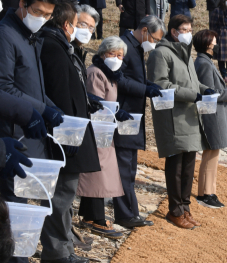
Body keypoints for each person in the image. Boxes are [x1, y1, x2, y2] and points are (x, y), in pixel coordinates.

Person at [40, 0, 101, 263]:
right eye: (78, 24)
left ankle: (66, 251)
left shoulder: (63, 46)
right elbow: (58, 94)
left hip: (71, 132)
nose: (81, 30)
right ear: (67, 25)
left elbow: (71, 87)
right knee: (60, 198)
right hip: (65, 136)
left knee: (65, 198)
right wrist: (66, 133)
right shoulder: (53, 48)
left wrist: (87, 100)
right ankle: (57, 255)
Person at [0, 0, 64, 223]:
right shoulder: (6, 34)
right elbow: (4, 87)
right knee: (12, 210)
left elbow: (30, 83)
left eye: (47, 15)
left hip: (28, 132)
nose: (42, 18)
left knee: (21, 208)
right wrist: (42, 108)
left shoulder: (31, 35)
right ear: (23, 3)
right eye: (37, 12)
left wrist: (49, 104)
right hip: (12, 132)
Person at [148, 15, 216, 229]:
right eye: (184, 29)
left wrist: (206, 91)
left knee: (188, 167)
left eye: (190, 28)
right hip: (173, 118)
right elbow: (161, 85)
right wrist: (192, 95)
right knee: (176, 167)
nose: (188, 32)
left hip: (190, 117)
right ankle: (174, 211)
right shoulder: (161, 53)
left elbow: (194, 83)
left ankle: (185, 208)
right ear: (174, 32)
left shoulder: (186, 54)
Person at [115, 16, 165, 229]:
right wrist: (145, 89)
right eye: (154, 38)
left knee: (131, 166)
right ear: (144, 30)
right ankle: (126, 214)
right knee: (124, 167)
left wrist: (149, 84)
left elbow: (134, 77)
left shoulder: (136, 47)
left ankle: (130, 211)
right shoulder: (123, 45)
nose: (153, 44)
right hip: (124, 114)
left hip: (134, 115)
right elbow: (119, 79)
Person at [77, 37, 130, 239]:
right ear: (102, 54)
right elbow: (94, 102)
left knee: (101, 171)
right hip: (96, 128)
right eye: (112, 54)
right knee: (96, 173)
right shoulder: (95, 73)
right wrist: (115, 113)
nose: (116, 58)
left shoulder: (111, 75)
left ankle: (89, 214)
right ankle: (96, 218)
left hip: (104, 129)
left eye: (119, 55)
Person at [193, 30, 227, 209]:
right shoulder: (204, 64)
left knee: (213, 153)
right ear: (207, 44)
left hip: (214, 113)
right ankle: (205, 193)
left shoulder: (205, 62)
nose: (216, 45)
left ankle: (210, 191)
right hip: (211, 115)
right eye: (214, 42)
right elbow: (209, 92)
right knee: (210, 154)